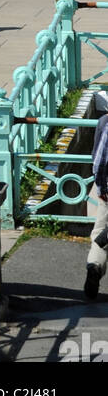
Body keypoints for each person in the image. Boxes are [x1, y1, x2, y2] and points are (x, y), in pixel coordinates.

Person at [84, 107, 108, 299]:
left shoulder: (105, 122)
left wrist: (101, 188)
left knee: (100, 233)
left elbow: (98, 161)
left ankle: (94, 266)